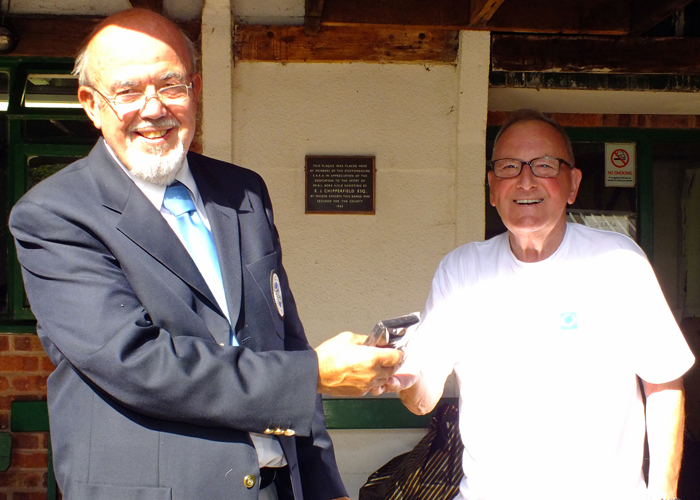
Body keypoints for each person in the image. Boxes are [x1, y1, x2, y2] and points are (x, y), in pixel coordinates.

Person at [9, 8, 404, 500]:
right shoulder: (54, 214)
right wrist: (313, 375)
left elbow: (284, 339)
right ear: (91, 104)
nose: (153, 109)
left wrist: (326, 487)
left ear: (195, 90)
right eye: (128, 91)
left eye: (171, 86)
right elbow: (137, 363)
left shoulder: (243, 192)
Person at [379, 109, 696, 500]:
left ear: (573, 184)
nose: (525, 180)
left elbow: (663, 382)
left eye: (544, 165)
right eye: (509, 167)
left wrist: (664, 495)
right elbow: (424, 395)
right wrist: (398, 373)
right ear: (492, 187)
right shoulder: (462, 270)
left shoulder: (617, 261)